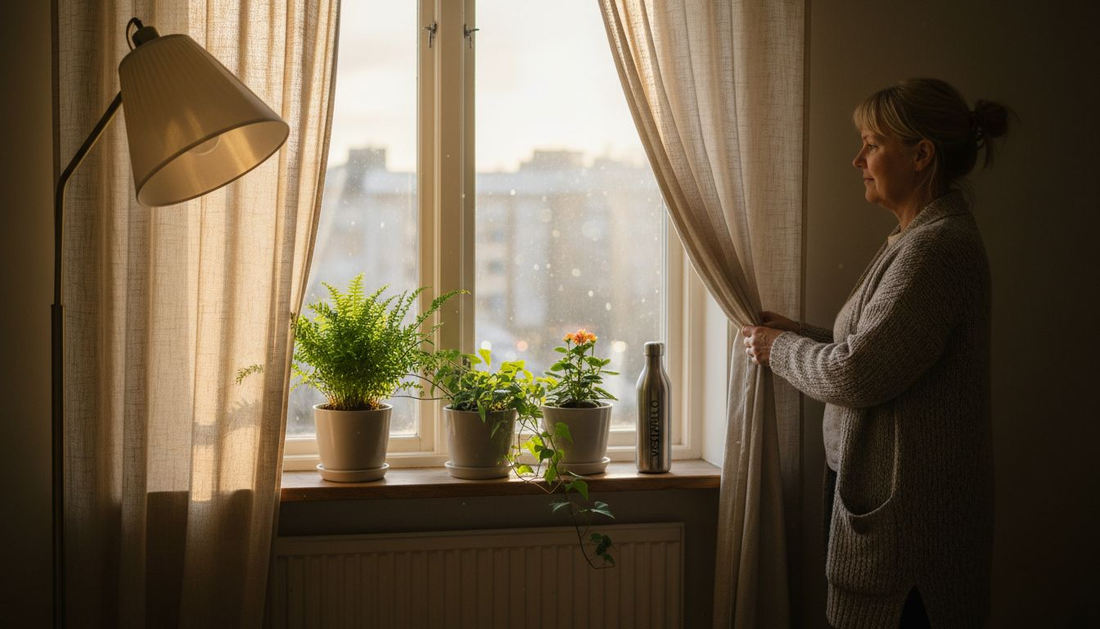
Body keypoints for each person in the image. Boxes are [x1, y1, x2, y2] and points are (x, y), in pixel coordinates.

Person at [741, 78, 1010, 628]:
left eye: (872, 143)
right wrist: (802, 333)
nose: (857, 158)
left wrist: (779, 348)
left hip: (913, 544)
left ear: (921, 155)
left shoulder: (935, 251)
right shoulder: (913, 239)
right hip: (896, 530)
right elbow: (879, 352)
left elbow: (859, 374)